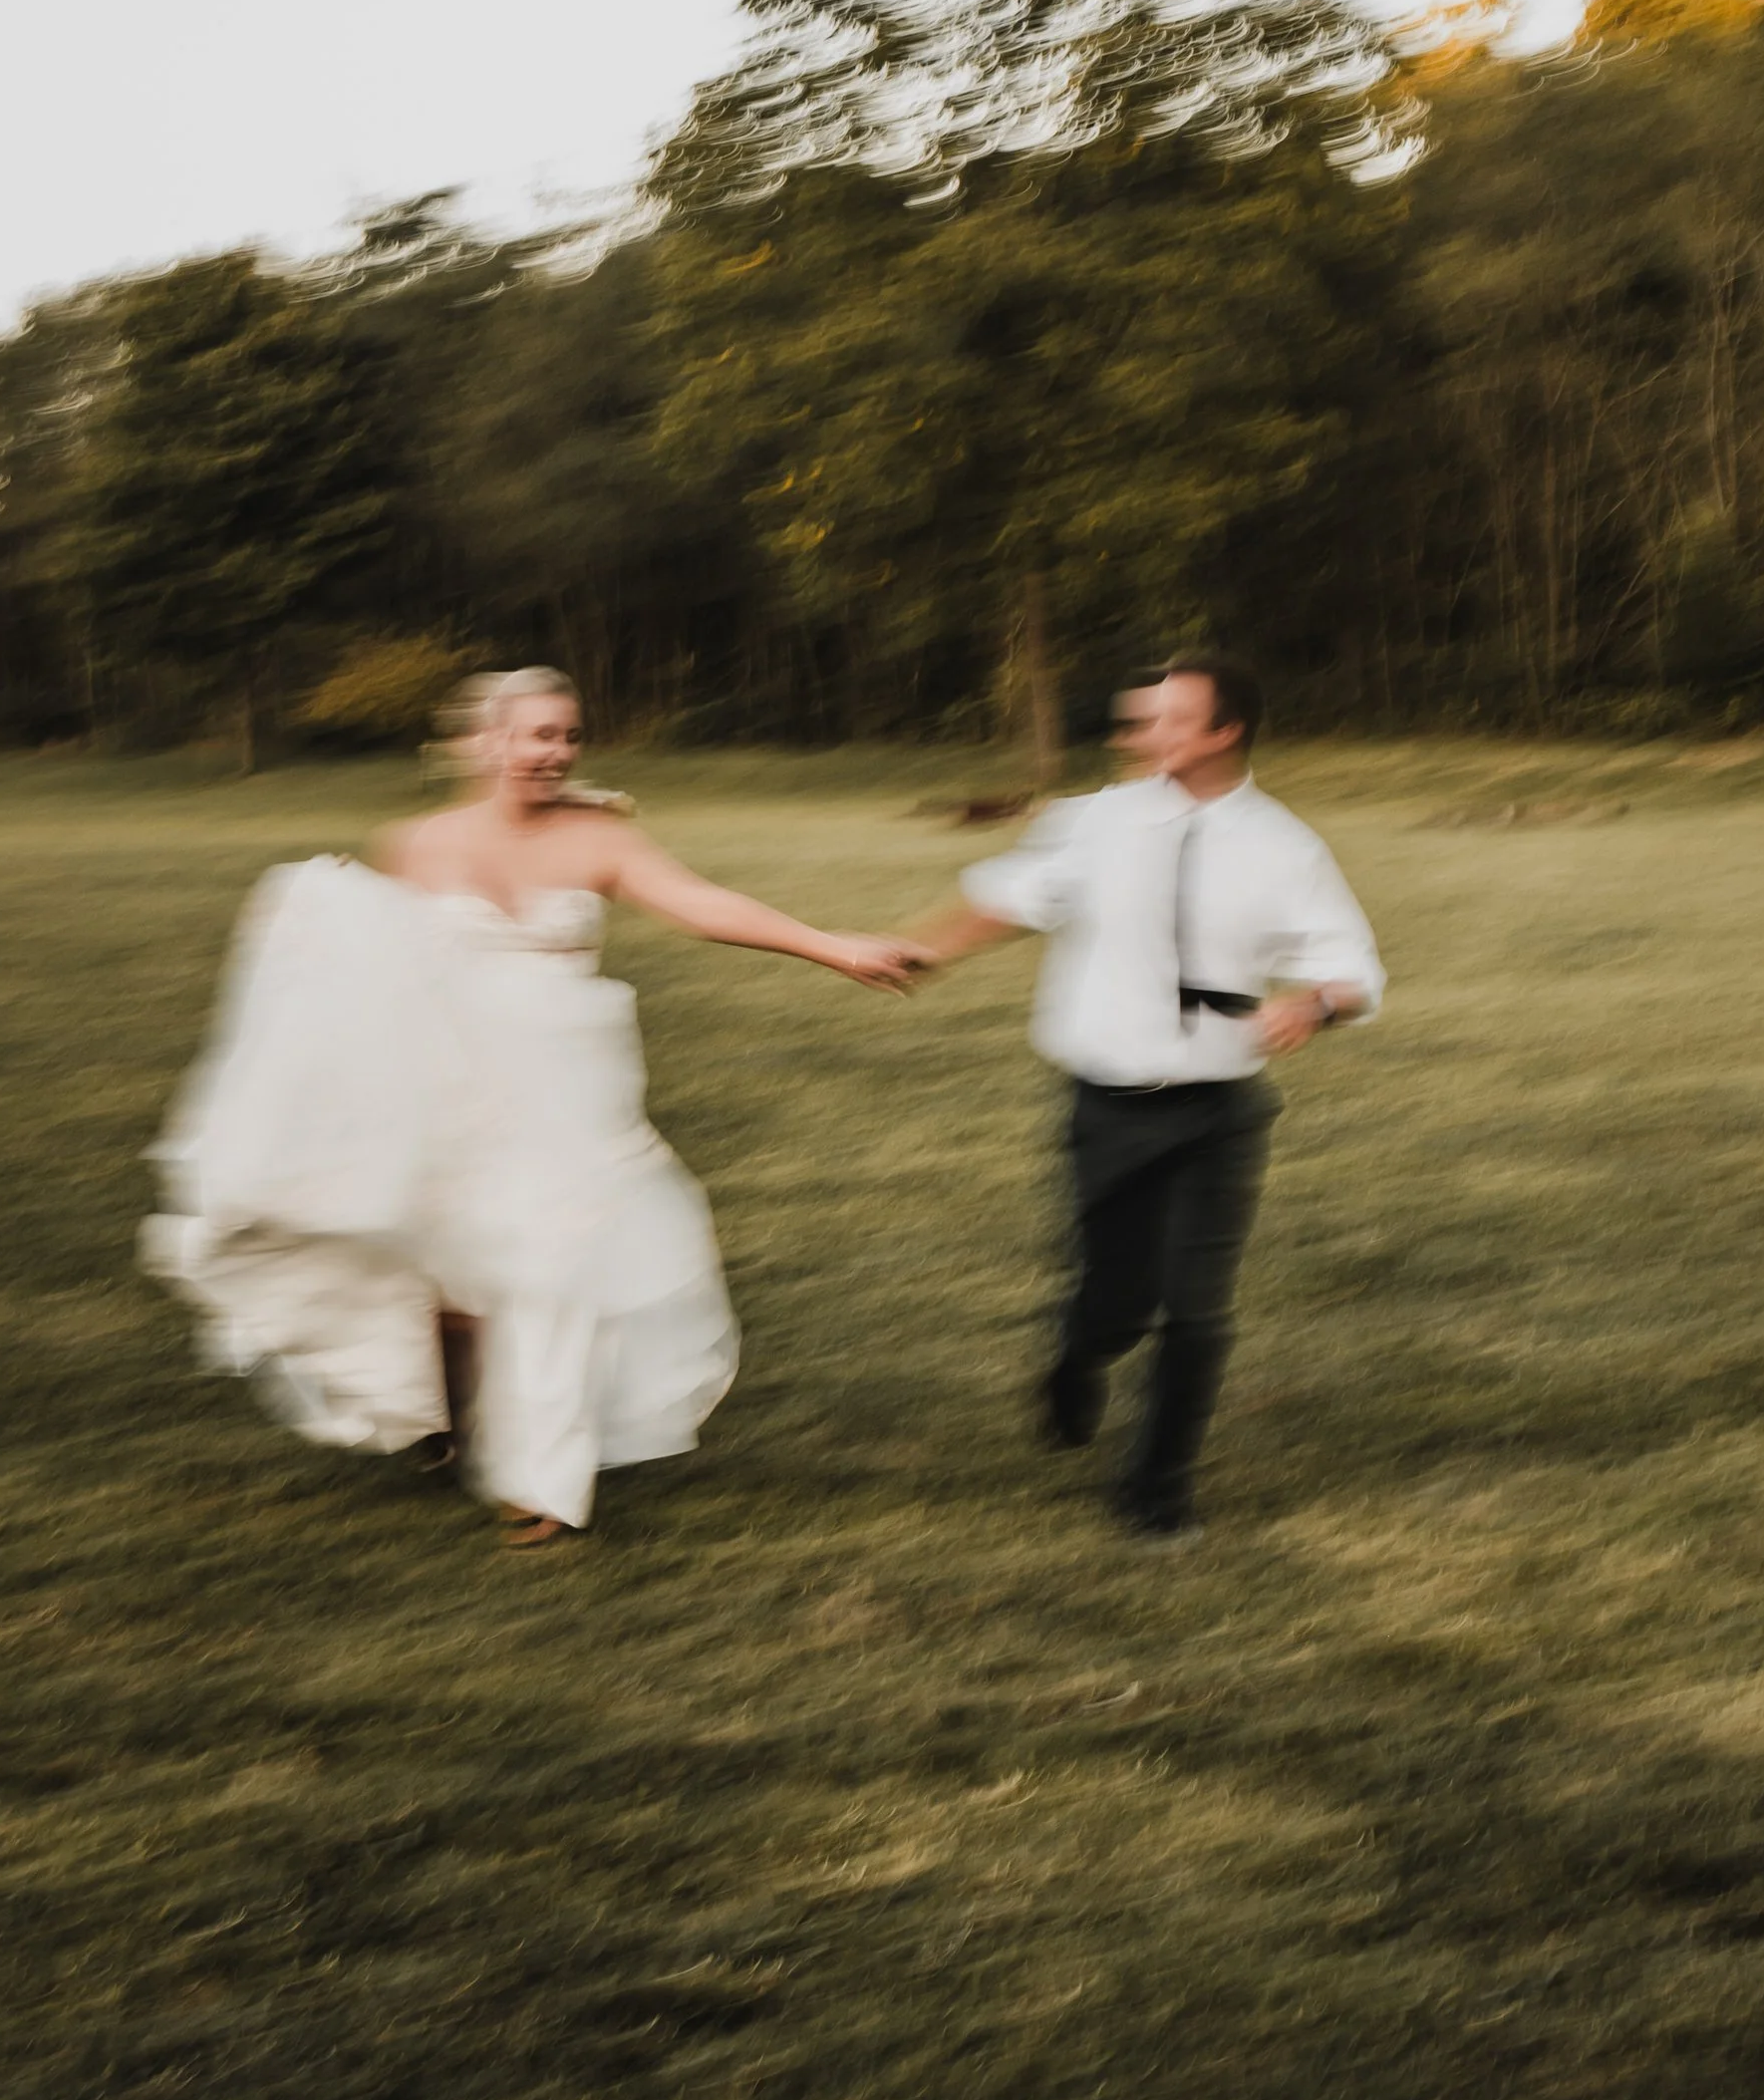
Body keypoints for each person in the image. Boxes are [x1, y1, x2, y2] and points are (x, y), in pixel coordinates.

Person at [145, 666, 918, 1545]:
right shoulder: (418, 843)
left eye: (568, 736)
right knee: (450, 1282)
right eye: (537, 734)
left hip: (571, 1094)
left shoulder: (600, 835)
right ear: (486, 741)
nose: (554, 751)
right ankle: (449, 1417)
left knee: (551, 1264)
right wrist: (299, 925)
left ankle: (541, 1475)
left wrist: (831, 947)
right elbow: (373, 962)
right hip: (455, 1086)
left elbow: (699, 904)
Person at [900, 654, 1384, 1538]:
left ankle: (1157, 1490)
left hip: (1219, 1112)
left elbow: (1355, 967)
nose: (1138, 736)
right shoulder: (1094, 823)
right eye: (1137, 721)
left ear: (1221, 731)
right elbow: (1009, 898)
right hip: (1109, 1105)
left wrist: (1314, 1003)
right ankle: (1077, 1358)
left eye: (1163, 719)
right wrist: (922, 953)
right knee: (1114, 1300)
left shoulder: (1284, 845)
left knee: (1198, 1307)